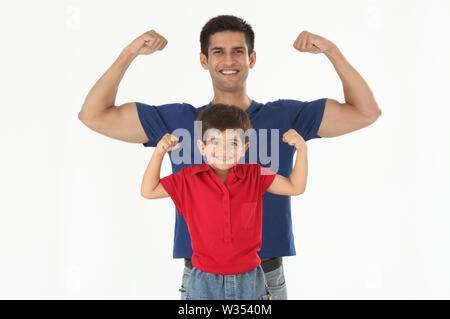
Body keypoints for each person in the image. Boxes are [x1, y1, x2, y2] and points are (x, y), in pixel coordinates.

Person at [78, 15, 381, 299]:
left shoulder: (284, 116)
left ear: (252, 58)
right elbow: (93, 116)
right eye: (218, 51)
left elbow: (366, 112)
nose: (228, 60)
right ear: (203, 60)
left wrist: (333, 51)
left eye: (238, 51)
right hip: (200, 274)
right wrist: (129, 53)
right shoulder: (179, 120)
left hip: (265, 272)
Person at [141, 104, 308, 299]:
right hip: (203, 280)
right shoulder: (188, 178)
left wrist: (302, 149)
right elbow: (148, 190)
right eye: (215, 141)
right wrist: (159, 152)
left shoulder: (256, 174)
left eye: (233, 143)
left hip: (250, 278)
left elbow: (295, 187)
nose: (224, 150)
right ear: (202, 147)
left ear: (245, 147)